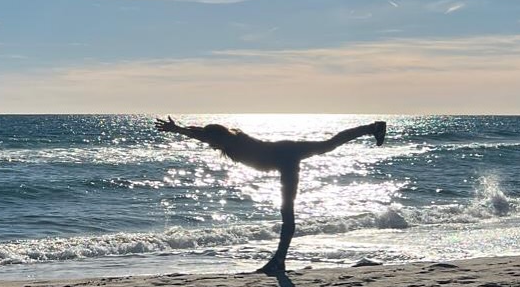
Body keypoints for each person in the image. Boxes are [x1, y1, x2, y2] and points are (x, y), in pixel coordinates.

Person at [155, 116, 386, 276]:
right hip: (284, 153)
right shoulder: (228, 139)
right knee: (328, 146)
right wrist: (181, 130)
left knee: (288, 211)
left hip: (285, 157)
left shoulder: (229, 140)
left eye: (211, 139)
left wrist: (179, 130)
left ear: (218, 137)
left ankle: (279, 261)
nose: (210, 143)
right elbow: (203, 134)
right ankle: (372, 128)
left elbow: (204, 135)